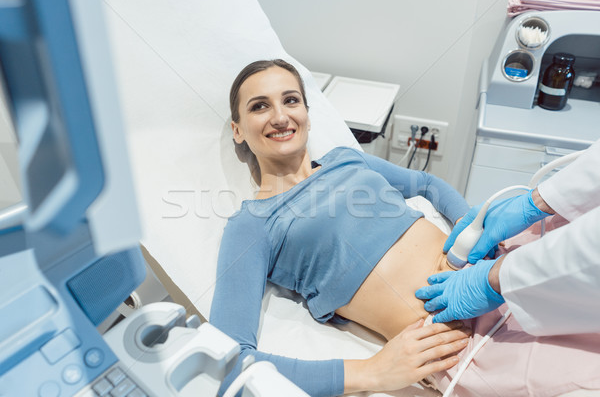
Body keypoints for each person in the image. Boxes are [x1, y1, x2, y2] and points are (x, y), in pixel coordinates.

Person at [209, 59, 600, 396]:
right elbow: (232, 357)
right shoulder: (253, 225)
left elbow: (428, 185)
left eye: (290, 100)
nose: (280, 116)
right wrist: (371, 371)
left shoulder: (346, 159)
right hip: (462, 340)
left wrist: (476, 232)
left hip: (506, 267)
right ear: (238, 130)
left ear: (308, 114)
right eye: (260, 106)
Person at [416, 139, 600, 336]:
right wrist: (539, 200)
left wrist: (495, 278)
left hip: (534, 279)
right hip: (520, 279)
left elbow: (589, 254)